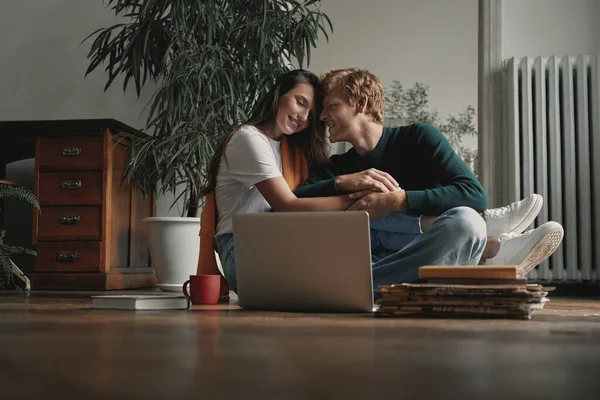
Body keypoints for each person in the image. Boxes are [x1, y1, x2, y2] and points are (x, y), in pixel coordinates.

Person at [293, 68, 564, 285]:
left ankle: (358, 288)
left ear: (361, 103)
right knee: (468, 225)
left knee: (466, 221)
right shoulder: (341, 166)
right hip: (382, 258)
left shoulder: (419, 137)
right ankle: (487, 251)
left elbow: (473, 195)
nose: (323, 116)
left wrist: (397, 201)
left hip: (424, 255)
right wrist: (343, 182)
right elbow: (293, 203)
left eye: (332, 106)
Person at [197, 69, 356, 295]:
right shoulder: (249, 138)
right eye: (300, 102)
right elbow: (286, 205)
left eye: (310, 115)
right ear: (279, 93)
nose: (303, 117)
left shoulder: (291, 152)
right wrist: (355, 200)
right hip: (242, 248)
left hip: (278, 242)